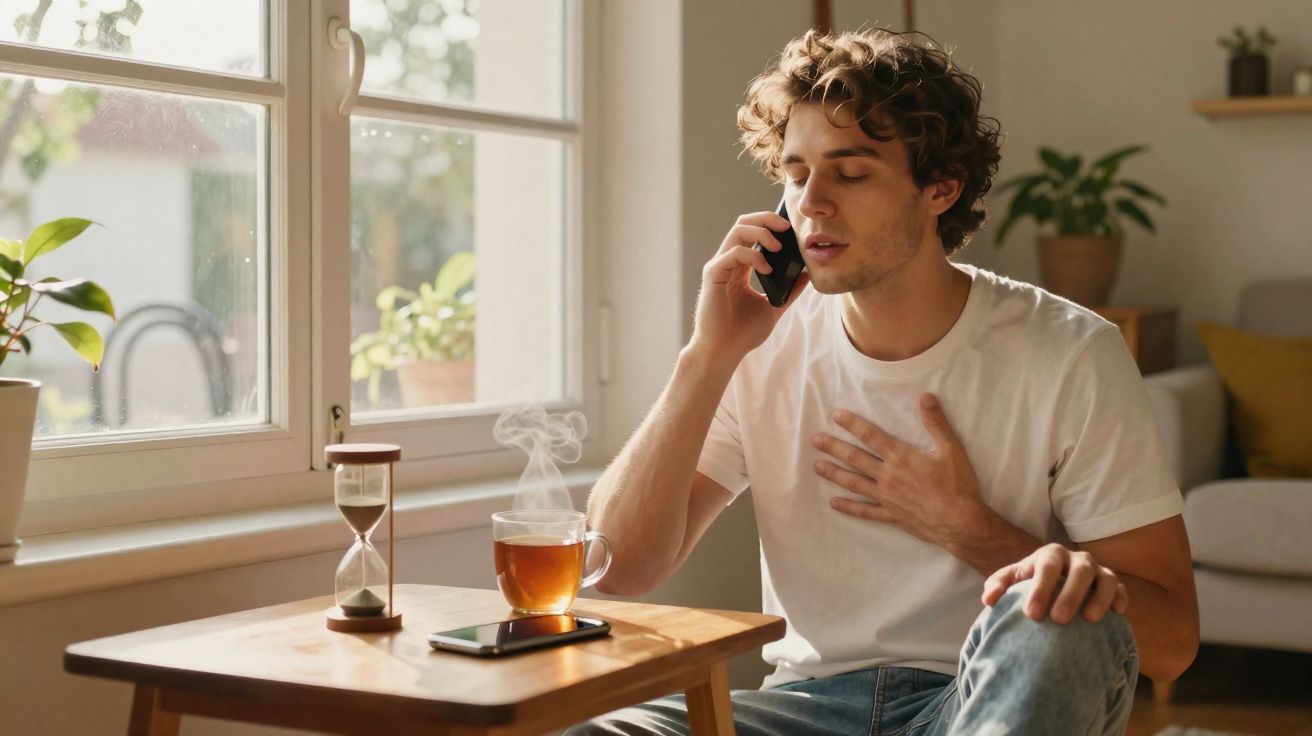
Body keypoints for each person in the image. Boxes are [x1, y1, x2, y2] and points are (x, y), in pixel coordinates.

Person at [569, 28, 1198, 735]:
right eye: (797, 172)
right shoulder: (756, 342)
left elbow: (1172, 645)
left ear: (941, 187)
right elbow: (612, 569)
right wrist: (706, 356)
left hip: (981, 696)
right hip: (801, 709)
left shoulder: (1072, 350)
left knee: (1059, 622)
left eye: (851, 172)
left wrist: (976, 532)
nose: (812, 202)